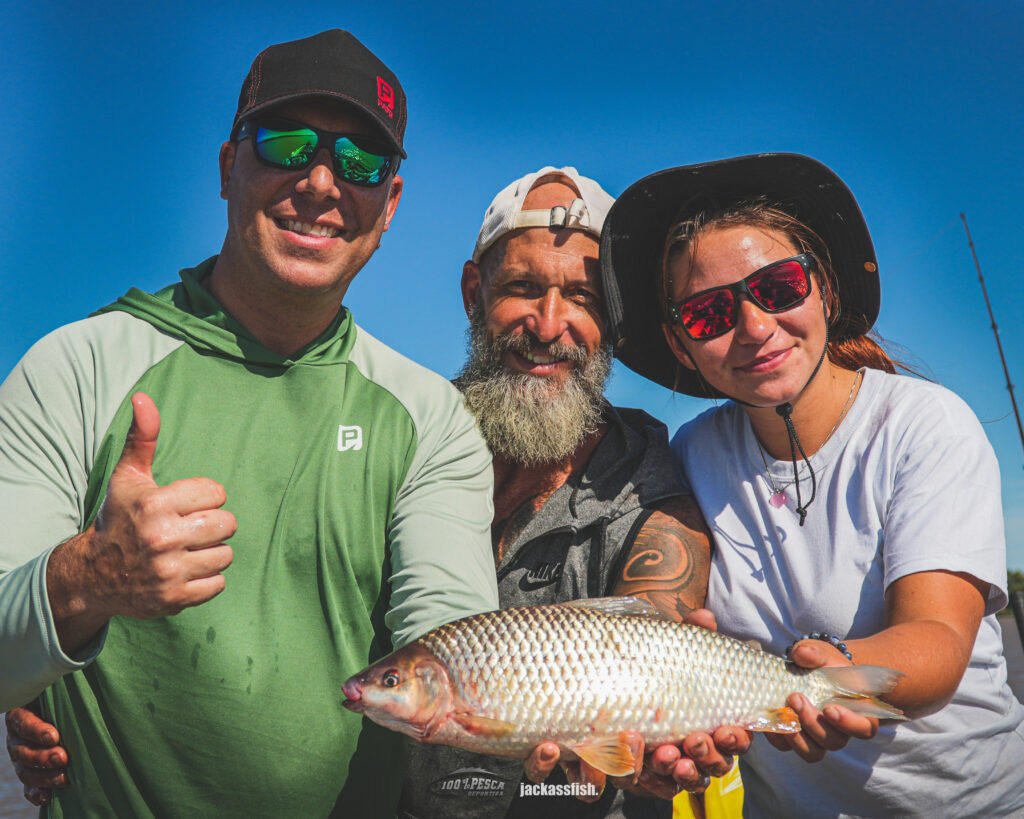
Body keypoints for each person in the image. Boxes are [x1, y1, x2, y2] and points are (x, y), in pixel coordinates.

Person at [0, 30, 500, 817]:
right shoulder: (78, 366)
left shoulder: (431, 418)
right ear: (229, 166)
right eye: (288, 144)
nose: (323, 182)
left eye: (362, 163)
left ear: (391, 204)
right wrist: (87, 578)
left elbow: (454, 643)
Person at [599, 153, 1024, 817]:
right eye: (709, 315)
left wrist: (832, 673)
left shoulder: (924, 424)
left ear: (822, 288)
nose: (755, 327)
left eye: (778, 286)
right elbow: (660, 613)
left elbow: (938, 635)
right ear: (681, 346)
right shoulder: (691, 453)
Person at [398, 167, 743, 819]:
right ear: (475, 293)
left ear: (614, 318)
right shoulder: (401, 439)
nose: (549, 324)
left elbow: (657, 650)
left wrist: (649, 757)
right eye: (523, 287)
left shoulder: (649, 492)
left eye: (582, 298)